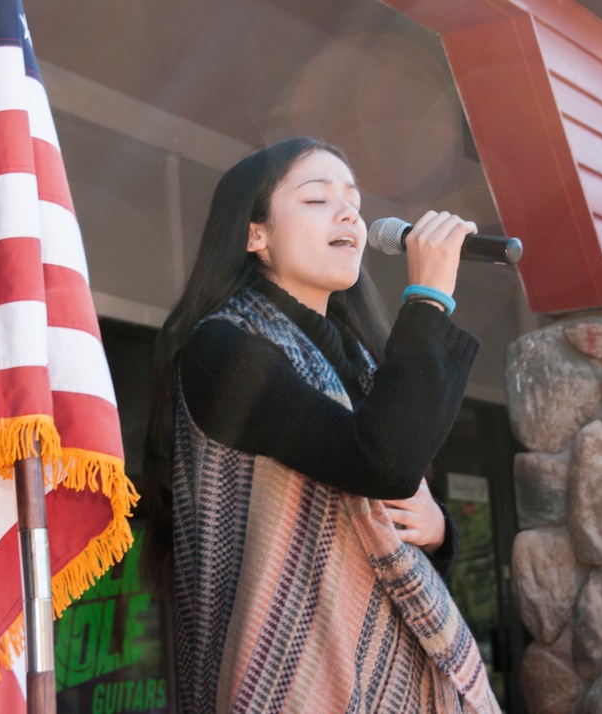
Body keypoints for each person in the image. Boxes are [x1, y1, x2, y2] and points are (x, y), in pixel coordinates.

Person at [142, 137, 501, 712]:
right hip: (288, 679)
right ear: (255, 234)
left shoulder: (361, 360)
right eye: (316, 199)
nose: (347, 213)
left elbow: (391, 479)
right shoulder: (222, 348)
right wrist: (429, 298)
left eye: (353, 201)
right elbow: (377, 461)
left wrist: (438, 530)